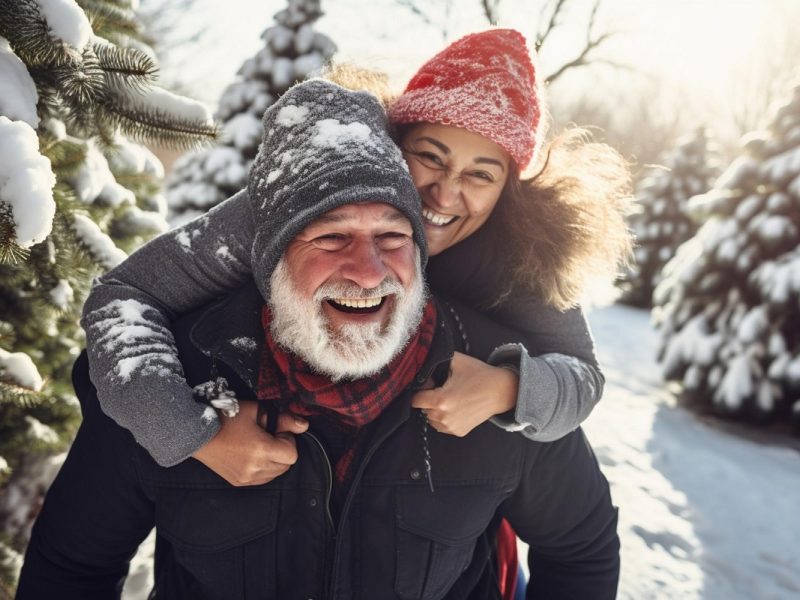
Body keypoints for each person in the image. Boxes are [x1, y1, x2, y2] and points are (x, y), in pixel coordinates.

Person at [17, 79, 620, 599]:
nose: (368, 271)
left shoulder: (494, 378)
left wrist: (515, 386)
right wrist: (190, 433)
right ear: (268, 256)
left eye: (390, 238)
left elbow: (582, 547)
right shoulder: (171, 373)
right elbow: (73, 566)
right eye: (331, 238)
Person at [78, 29, 633, 485]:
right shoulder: (300, 206)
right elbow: (123, 295)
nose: (443, 193)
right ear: (393, 145)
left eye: (480, 175)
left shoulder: (518, 257)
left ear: (507, 188)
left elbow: (582, 374)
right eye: (430, 158)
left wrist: (510, 388)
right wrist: (191, 432)